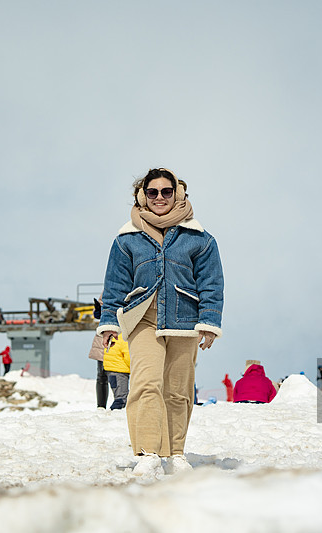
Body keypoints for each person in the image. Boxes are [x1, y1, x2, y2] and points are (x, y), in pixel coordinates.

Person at [98, 167, 224, 478]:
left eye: (166, 192)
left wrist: (208, 321)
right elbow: (115, 283)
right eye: (152, 192)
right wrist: (108, 323)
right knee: (145, 383)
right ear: (142, 196)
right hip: (142, 316)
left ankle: (176, 453)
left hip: (184, 317)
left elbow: (211, 282)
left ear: (177, 194)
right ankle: (148, 452)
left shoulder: (199, 238)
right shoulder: (127, 238)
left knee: (178, 389)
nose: (159, 198)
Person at [88, 297, 109, 409]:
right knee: (102, 374)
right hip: (104, 336)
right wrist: (98, 309)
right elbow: (97, 315)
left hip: (121, 336)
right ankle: (101, 406)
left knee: (121, 375)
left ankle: (120, 403)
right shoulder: (107, 288)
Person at [103, 334, 131, 409]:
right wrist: (133, 367)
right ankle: (113, 414)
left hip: (111, 371)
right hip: (120, 372)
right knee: (121, 398)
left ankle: (114, 413)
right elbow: (128, 356)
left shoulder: (112, 336)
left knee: (118, 395)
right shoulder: (123, 338)